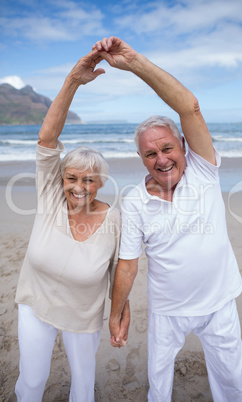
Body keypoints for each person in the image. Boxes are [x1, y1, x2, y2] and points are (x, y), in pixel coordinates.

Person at [94, 37, 242, 401]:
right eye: (150, 154)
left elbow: (190, 106)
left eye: (167, 148)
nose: (161, 159)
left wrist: (134, 63)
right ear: (141, 159)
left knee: (234, 383)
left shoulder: (203, 169)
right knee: (159, 385)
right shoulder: (134, 201)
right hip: (169, 311)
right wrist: (116, 313)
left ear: (183, 145)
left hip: (219, 303)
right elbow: (128, 265)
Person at [14, 48, 129, 401]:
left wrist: (120, 313)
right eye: (72, 178)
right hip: (37, 304)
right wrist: (73, 81)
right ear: (61, 178)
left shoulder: (114, 219)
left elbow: (122, 268)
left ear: (102, 184)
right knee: (32, 382)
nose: (79, 187)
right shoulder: (51, 196)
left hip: (83, 313)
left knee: (83, 386)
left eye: (89, 180)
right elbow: (47, 140)